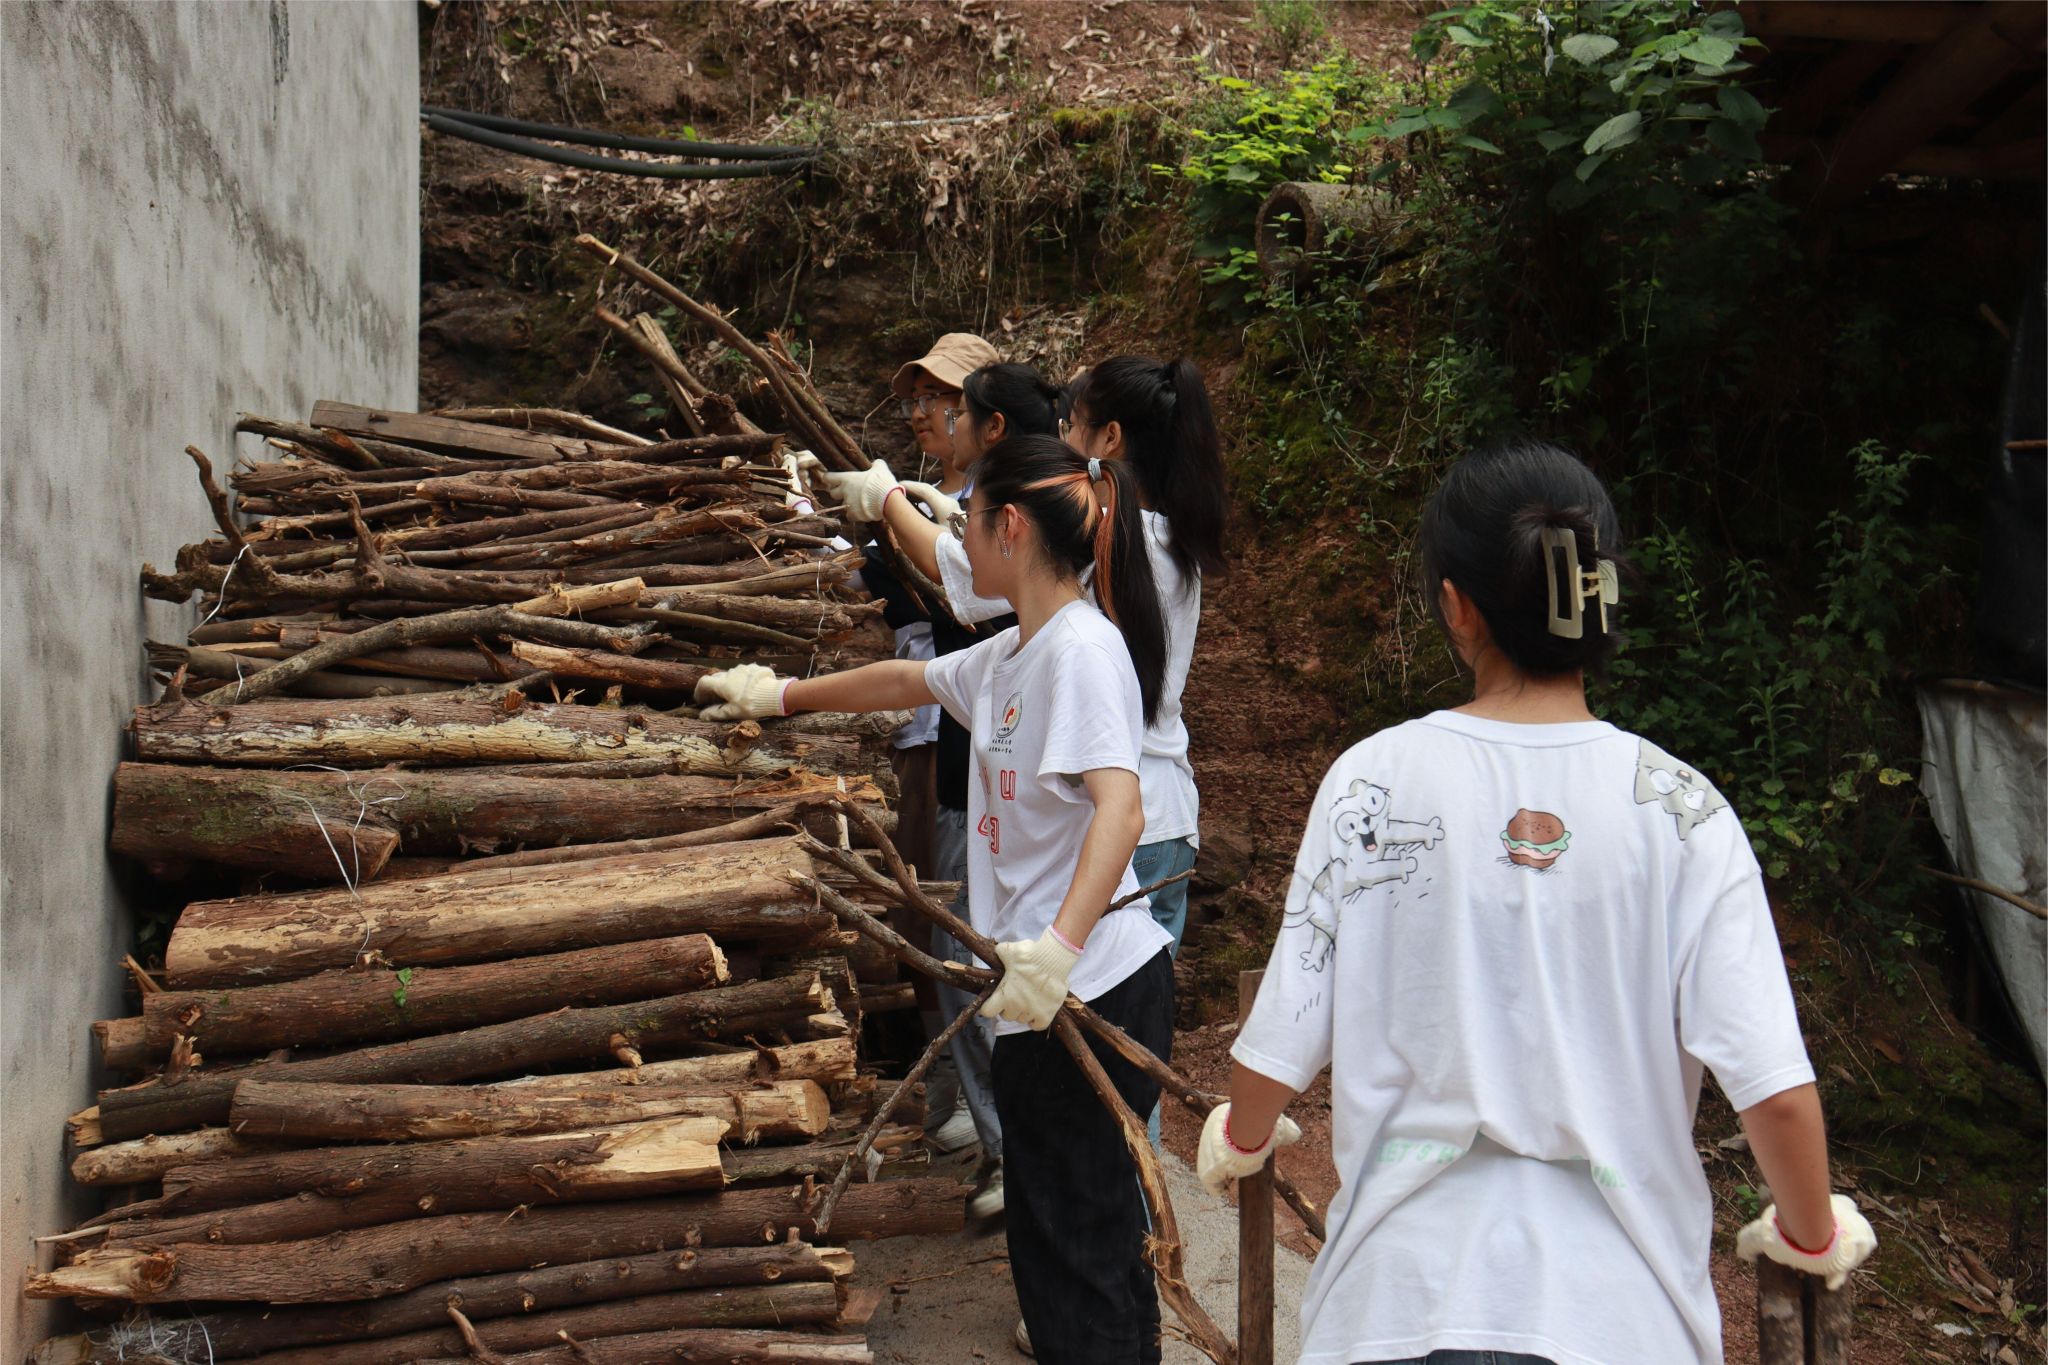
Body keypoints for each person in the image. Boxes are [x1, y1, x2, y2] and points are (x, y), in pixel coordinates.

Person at [1197, 440, 1876, 1365]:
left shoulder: (1375, 780)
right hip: (1621, 1320)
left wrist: (1239, 1137)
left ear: (1456, 604)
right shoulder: (1680, 809)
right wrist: (1808, 1234)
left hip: (1395, 1305)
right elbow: (1776, 1091)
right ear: (1599, 597)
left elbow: (1277, 1045)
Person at [699, 435, 1176, 1365]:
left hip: (1090, 987)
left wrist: (1058, 949)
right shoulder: (1012, 653)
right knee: (1054, 1230)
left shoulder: (1080, 650)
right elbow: (906, 678)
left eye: (966, 525)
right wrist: (782, 694)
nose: (956, 547)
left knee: (1084, 1234)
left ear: (1009, 527)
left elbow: (1122, 808)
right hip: (1043, 989)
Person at [818, 361, 1063, 1219]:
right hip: (978, 768)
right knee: (971, 951)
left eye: (947, 406)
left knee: (985, 962)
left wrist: (893, 504)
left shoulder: (1062, 633)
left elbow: (958, 589)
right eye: (919, 401)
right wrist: (780, 696)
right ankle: (1013, 1150)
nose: (931, 418)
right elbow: (908, 672)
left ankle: (1021, 1158)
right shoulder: (1019, 628)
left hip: (998, 786)